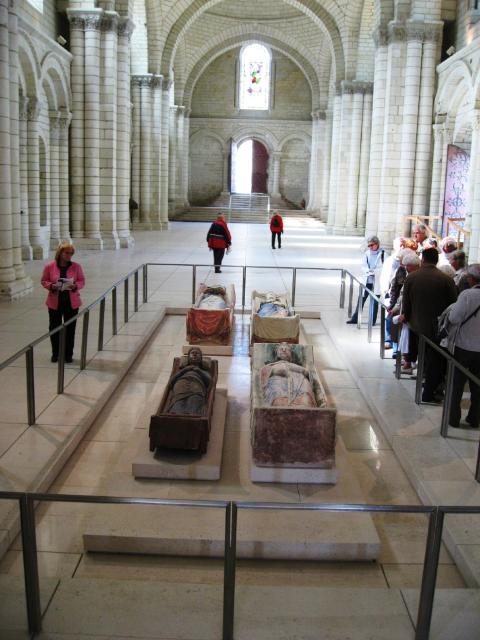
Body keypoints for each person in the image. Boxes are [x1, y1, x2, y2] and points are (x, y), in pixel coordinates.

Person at [402, 247, 457, 403]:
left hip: (415, 325)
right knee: (435, 361)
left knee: (423, 357)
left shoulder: (412, 277)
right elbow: (452, 304)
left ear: (423, 259)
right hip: (436, 328)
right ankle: (428, 392)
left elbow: (406, 302)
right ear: (437, 260)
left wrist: (407, 317)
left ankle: (424, 383)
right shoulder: (446, 279)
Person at [447, 264, 480, 429]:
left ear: (471, 279)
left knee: (457, 384)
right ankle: (474, 418)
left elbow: (454, 317)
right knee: (477, 385)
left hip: (464, 346)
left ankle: (453, 419)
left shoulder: (467, 295)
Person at [41, 242, 85, 363]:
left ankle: (68, 354)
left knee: (70, 329)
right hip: (55, 303)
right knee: (54, 328)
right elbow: (44, 280)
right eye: (67, 253)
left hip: (71, 303)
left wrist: (75, 285)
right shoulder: (50, 266)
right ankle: (55, 353)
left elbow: (82, 281)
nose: (69, 255)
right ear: (60, 253)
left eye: (71, 253)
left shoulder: (76, 267)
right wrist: (52, 286)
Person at [260, 343, 316, 407]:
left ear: (291, 356)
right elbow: (263, 372)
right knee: (277, 393)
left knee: (306, 394)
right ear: (276, 354)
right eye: (281, 349)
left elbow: (308, 374)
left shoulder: (298, 366)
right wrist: (275, 371)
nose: (284, 350)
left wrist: (301, 371)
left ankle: (305, 406)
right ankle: (279, 407)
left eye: (287, 349)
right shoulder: (272, 365)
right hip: (278, 381)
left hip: (299, 383)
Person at [346, 235, 384, 325]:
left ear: (377, 244)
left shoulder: (383, 254)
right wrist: (368, 270)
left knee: (375, 301)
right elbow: (363, 265)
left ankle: (372, 321)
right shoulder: (367, 254)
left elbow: (384, 267)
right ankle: (355, 318)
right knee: (361, 299)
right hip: (367, 280)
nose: (370, 247)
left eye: (372, 245)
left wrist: (375, 271)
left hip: (377, 281)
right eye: (369, 245)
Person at [165, 347, 212, 415]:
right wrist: (185, 370)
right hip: (181, 385)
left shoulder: (204, 371)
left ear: (201, 359)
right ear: (188, 358)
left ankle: (193, 417)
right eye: (192, 353)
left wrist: (198, 370)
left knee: (195, 400)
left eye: (197, 353)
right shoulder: (182, 370)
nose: (195, 355)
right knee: (178, 401)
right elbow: (171, 382)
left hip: (196, 385)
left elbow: (210, 381)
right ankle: (175, 417)